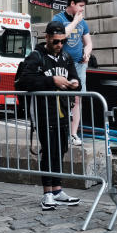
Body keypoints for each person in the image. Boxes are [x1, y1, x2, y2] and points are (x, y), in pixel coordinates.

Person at [15, 21, 82, 211]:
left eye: (62, 41)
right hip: (44, 111)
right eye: (55, 41)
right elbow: (23, 81)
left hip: (62, 111)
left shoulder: (66, 57)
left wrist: (75, 83)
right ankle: (47, 192)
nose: (59, 45)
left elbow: (76, 79)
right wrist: (51, 80)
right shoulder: (36, 57)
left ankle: (57, 189)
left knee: (60, 150)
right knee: (49, 149)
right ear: (47, 38)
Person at [52, 0, 93, 146]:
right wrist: (75, 21)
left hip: (79, 64)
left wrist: (87, 53)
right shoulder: (59, 19)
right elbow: (62, 36)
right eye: (81, 6)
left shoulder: (84, 23)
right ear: (72, 4)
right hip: (61, 65)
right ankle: (60, 131)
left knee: (77, 98)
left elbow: (89, 43)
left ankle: (74, 133)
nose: (82, 9)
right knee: (61, 98)